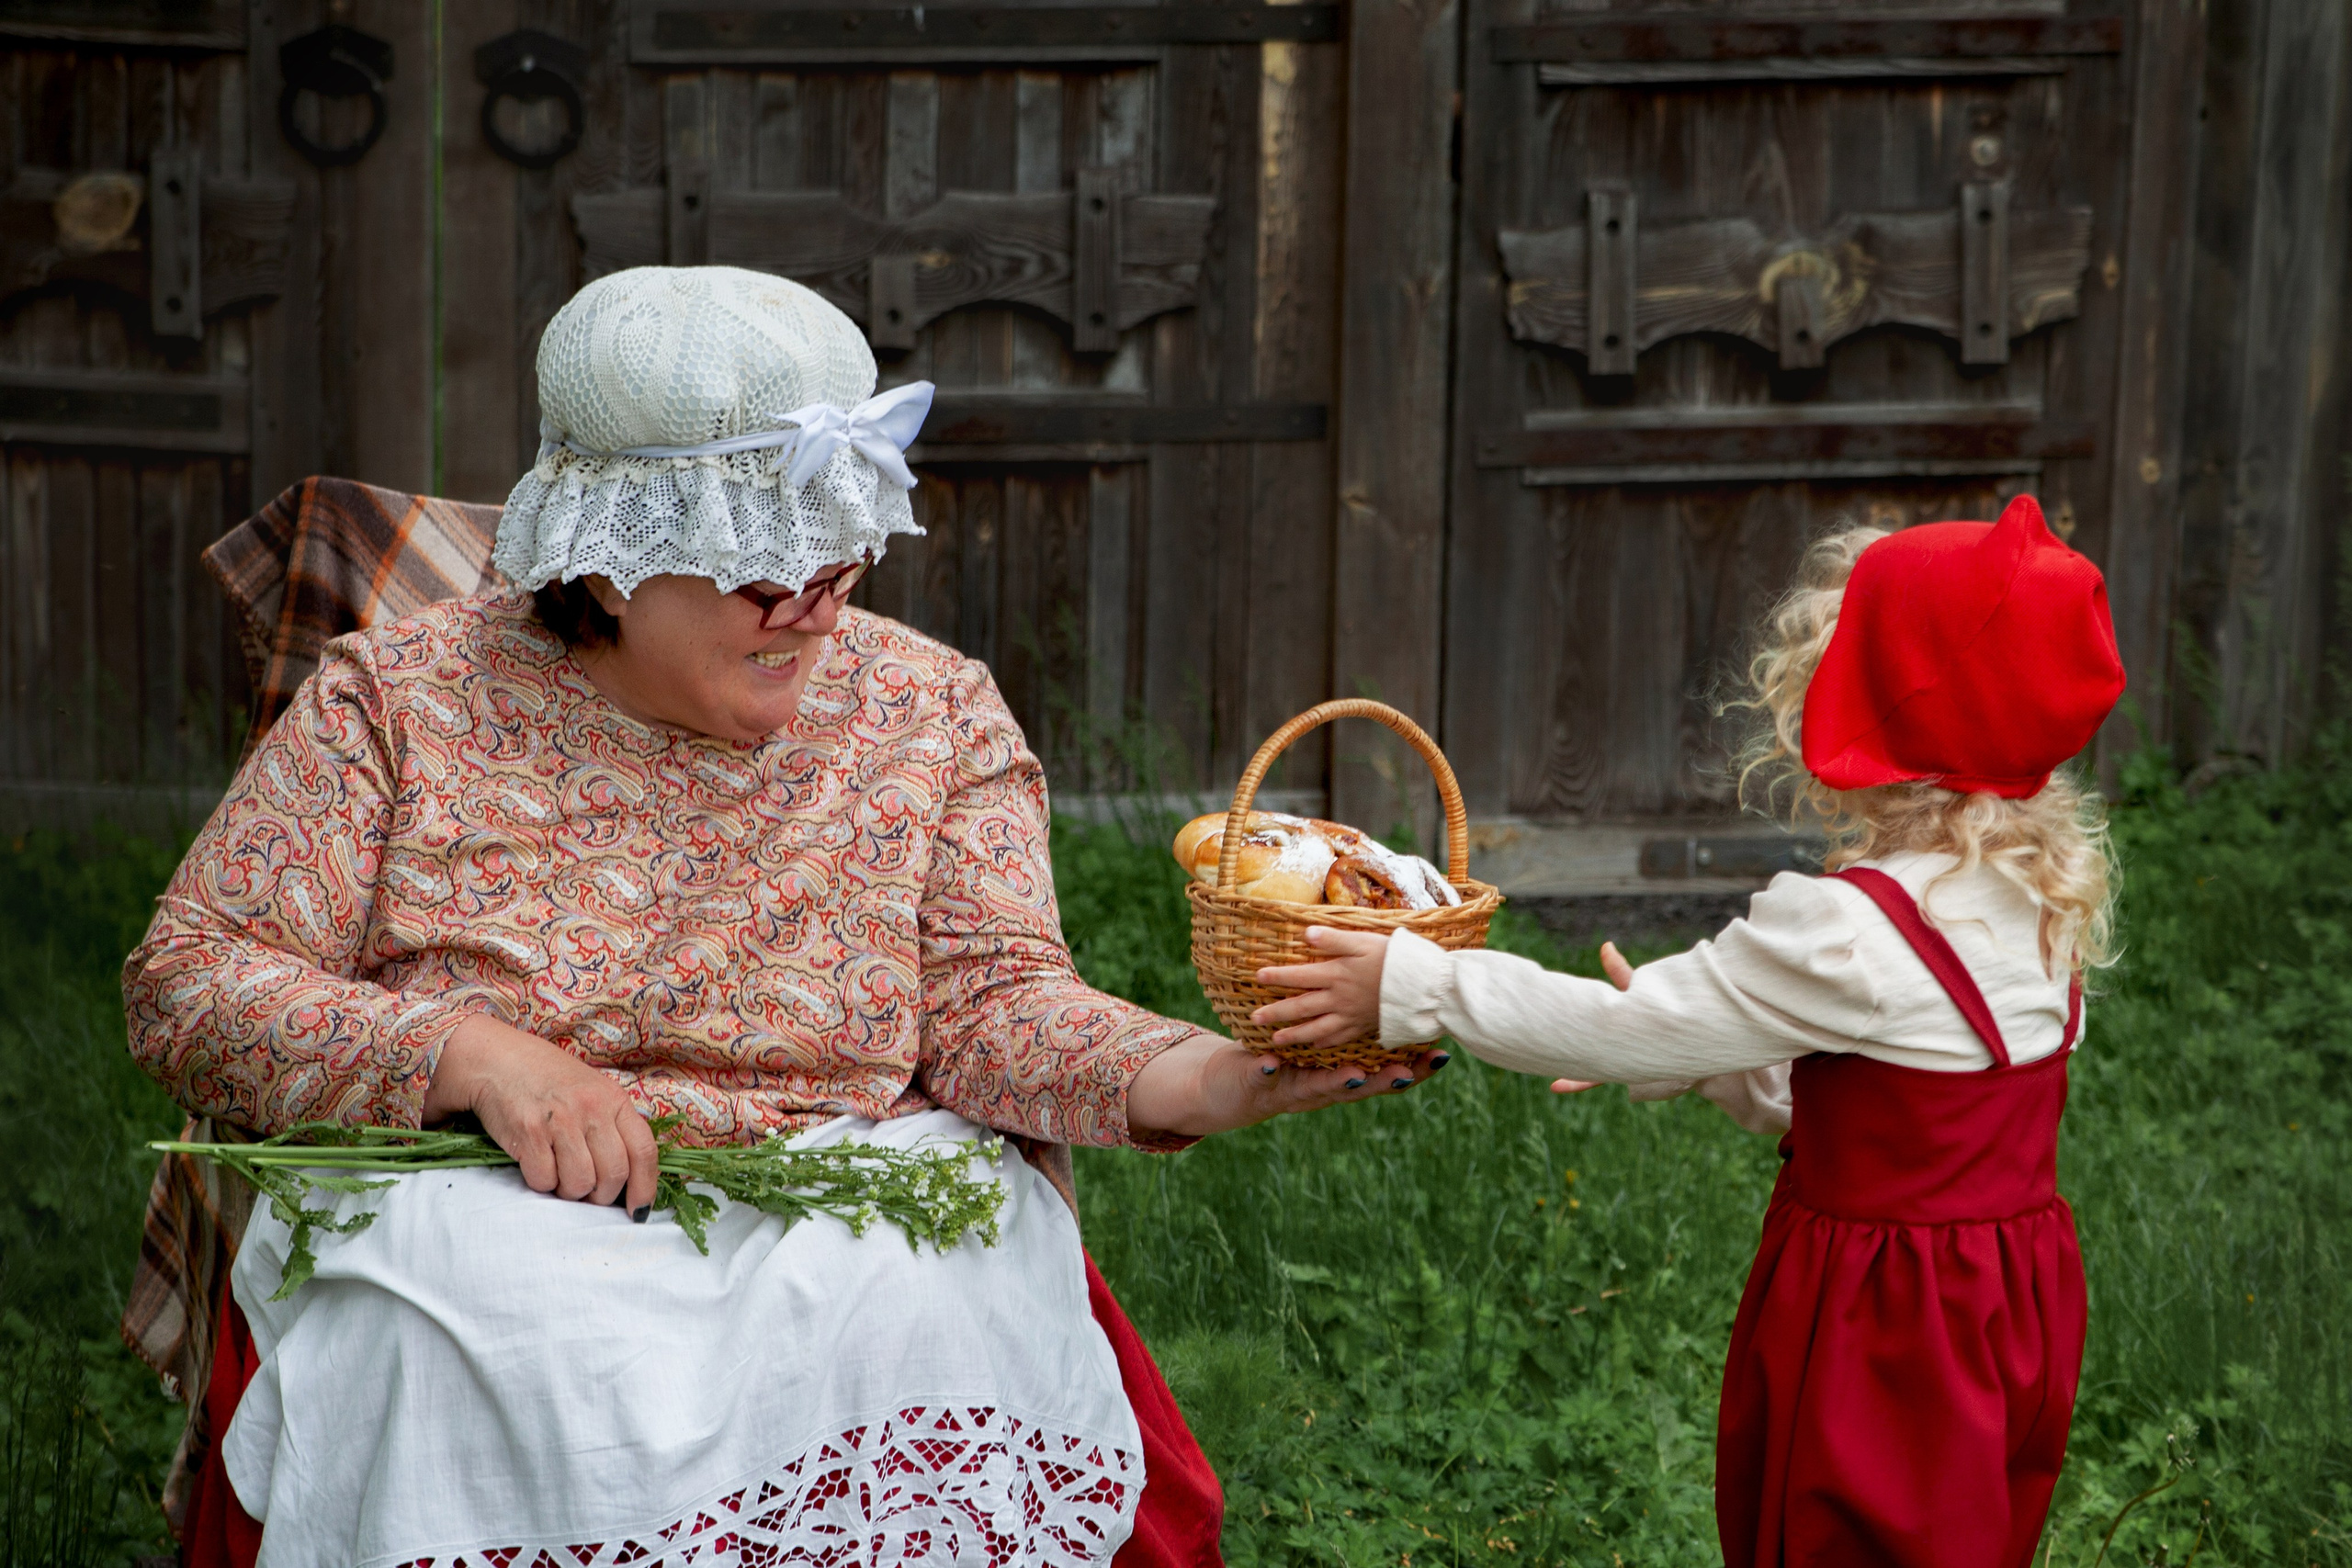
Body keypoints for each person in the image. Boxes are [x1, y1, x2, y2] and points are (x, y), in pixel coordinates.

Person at [123, 265, 1439, 1568]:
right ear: (619, 562)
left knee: (932, 1306)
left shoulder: (930, 711)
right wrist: (474, 1058)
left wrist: (1207, 1076)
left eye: (844, 553)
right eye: (767, 570)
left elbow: (995, 1007)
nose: (819, 607)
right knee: (473, 1337)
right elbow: (187, 976)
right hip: (494, 1204)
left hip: (839, 1202)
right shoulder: (400, 703)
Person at [1251, 494, 2126, 1568]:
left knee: (1840, 1530)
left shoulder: (1849, 930)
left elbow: (1622, 1032)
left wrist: (1420, 982)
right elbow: (1925, 1105)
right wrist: (1729, 1071)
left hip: (1882, 1319)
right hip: (2008, 1302)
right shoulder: (2041, 895)